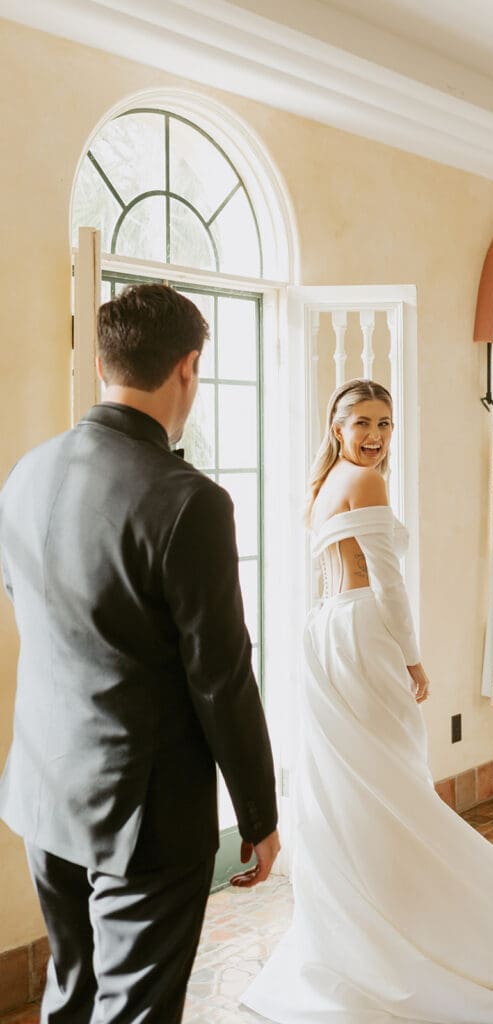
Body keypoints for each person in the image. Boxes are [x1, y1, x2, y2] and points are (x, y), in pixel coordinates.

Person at [242, 378, 493, 1024]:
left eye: (385, 423)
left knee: (355, 784)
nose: (376, 437)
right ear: (337, 427)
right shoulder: (367, 483)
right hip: (361, 635)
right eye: (363, 424)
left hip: (323, 638)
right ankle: (408, 905)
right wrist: (412, 660)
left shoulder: (320, 488)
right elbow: (389, 585)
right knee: (393, 779)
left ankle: (372, 910)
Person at [0, 283, 279, 1024]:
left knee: (72, 994)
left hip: (42, 787)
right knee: (135, 1012)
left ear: (100, 364)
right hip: (142, 815)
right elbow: (222, 678)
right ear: (188, 367)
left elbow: (33, 608)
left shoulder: (26, 472)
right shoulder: (189, 499)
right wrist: (258, 813)